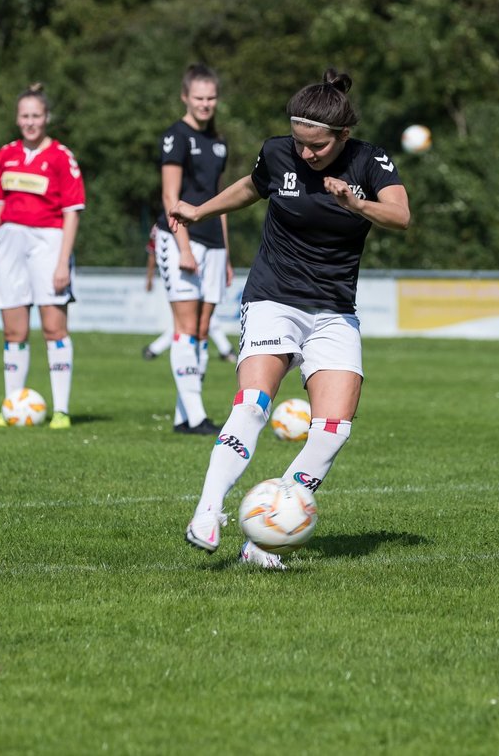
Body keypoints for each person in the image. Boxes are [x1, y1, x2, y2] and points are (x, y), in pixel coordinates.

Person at [170, 68, 411, 569]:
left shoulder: (370, 160)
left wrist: (353, 200)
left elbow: (400, 216)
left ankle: (264, 537)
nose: (305, 154)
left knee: (333, 428)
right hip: (272, 298)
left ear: (342, 136)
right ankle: (207, 513)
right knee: (255, 403)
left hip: (333, 310)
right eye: (299, 143)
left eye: (317, 147)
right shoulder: (277, 151)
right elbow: (251, 186)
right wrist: (200, 211)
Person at [0, 84, 85, 430]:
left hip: (48, 243)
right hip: (8, 244)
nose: (31, 122)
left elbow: (72, 213)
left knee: (54, 327)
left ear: (46, 117)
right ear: (17, 118)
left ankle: (61, 411)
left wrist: (63, 260)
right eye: (25, 116)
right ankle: (11, 409)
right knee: (13, 330)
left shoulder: (61, 157)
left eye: (37, 115)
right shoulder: (5, 154)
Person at [153, 64, 234, 435]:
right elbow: (171, 196)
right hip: (181, 239)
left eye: (211, 97)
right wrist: (183, 247)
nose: (205, 104)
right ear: (185, 96)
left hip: (214, 243)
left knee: (202, 328)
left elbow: (220, 201)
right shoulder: (176, 136)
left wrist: (227, 254)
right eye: (199, 97)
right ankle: (198, 417)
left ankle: (184, 416)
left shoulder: (219, 142)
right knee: (185, 327)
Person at [143, 225, 237, 364]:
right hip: (182, 274)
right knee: (188, 322)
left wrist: (225, 260)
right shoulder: (161, 227)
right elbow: (152, 252)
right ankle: (224, 350)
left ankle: (155, 349)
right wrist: (149, 278)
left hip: (201, 271)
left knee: (198, 320)